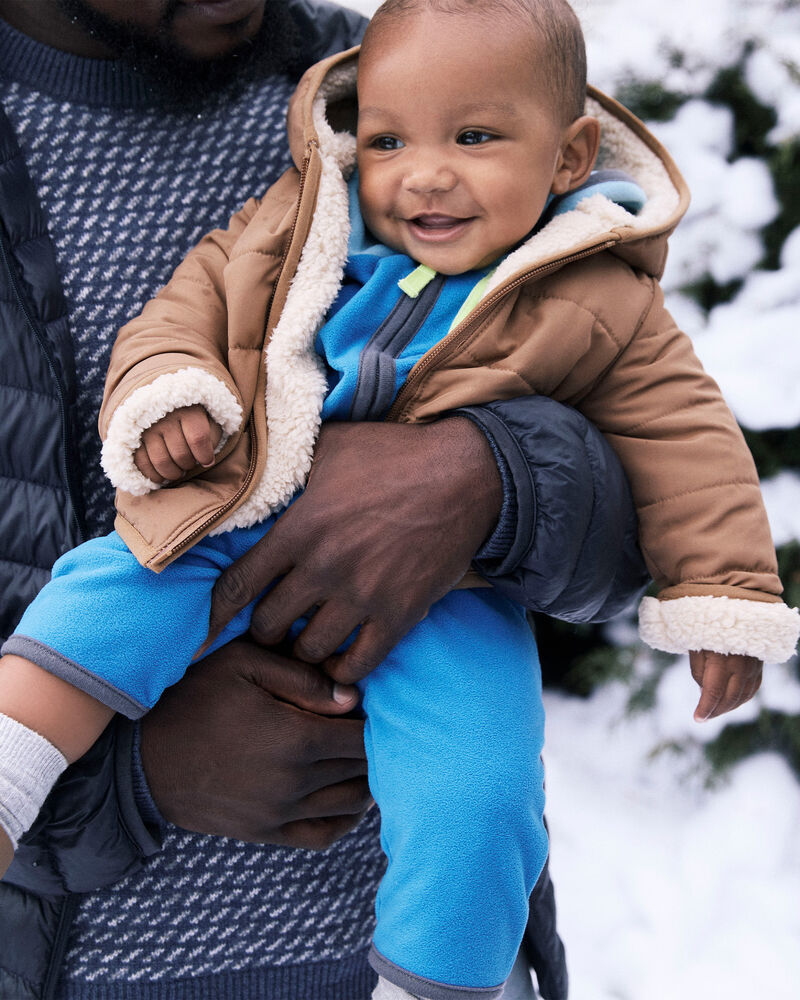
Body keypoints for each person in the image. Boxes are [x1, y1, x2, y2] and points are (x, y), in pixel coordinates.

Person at [2, 1, 799, 998]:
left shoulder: (378, 79)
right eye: (390, 145)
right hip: (86, 943)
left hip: (433, 649)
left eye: (472, 140)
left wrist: (495, 480)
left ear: (567, 156)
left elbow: (676, 444)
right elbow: (193, 309)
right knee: (100, 604)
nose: (423, 173)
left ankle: (438, 981)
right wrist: (133, 778)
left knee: (482, 792)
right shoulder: (322, 181)